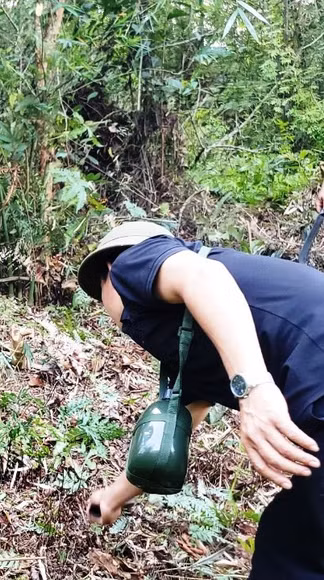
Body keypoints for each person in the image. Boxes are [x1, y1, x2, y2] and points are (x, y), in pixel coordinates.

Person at [77, 221, 323, 579]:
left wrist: (252, 387)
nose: (111, 315)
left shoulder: (134, 261)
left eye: (100, 292)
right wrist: (115, 496)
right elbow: (173, 433)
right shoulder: (195, 338)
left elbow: (203, 277)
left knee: (292, 558)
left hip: (314, 366)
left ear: (110, 271)